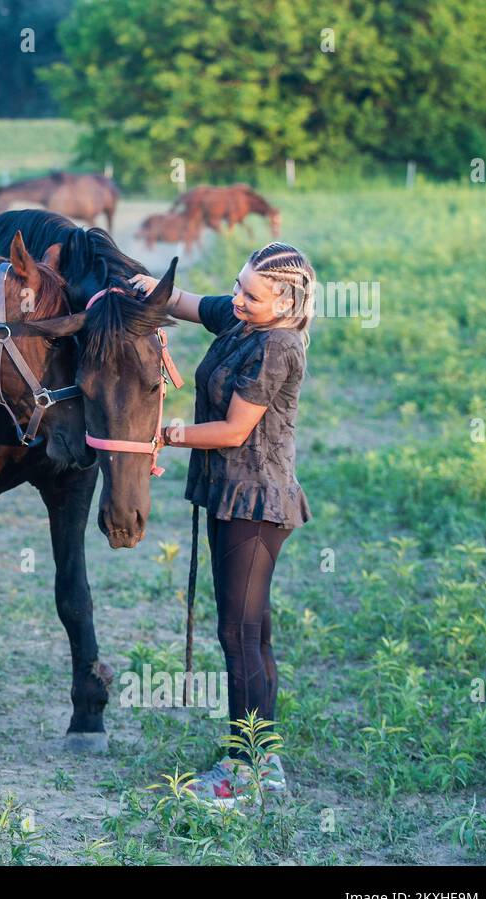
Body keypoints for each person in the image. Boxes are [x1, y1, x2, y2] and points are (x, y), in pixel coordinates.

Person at [131, 241, 315, 806]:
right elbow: (187, 303)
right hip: (229, 495)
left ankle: (250, 771)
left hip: (255, 501)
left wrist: (162, 433)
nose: (236, 299)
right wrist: (142, 289)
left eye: (250, 295)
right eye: (237, 285)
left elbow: (235, 431)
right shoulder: (242, 321)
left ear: (284, 303)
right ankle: (261, 758)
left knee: (240, 634)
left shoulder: (276, 346)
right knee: (248, 631)